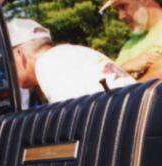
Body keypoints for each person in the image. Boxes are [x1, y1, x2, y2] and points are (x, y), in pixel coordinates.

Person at [7, 18, 135, 104]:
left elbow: (76, 123)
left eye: (7, 59)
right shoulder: (72, 53)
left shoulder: (48, 65)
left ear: (20, 54)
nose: (8, 68)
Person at [98, 0, 162, 81]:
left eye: (123, 6)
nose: (120, 16)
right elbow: (108, 82)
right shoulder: (129, 45)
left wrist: (127, 79)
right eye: (117, 9)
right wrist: (126, 67)